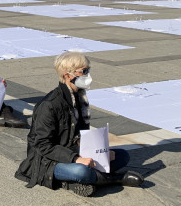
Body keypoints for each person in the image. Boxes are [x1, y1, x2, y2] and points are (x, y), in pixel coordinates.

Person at [15, 52, 144, 197]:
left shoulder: (80, 97)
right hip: (47, 162)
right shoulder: (49, 105)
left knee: (122, 156)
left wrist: (101, 152)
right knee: (81, 171)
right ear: (67, 75)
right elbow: (42, 145)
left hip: (75, 151)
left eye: (88, 70)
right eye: (84, 72)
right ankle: (114, 179)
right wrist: (76, 159)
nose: (88, 76)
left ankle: (86, 180)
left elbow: (82, 136)